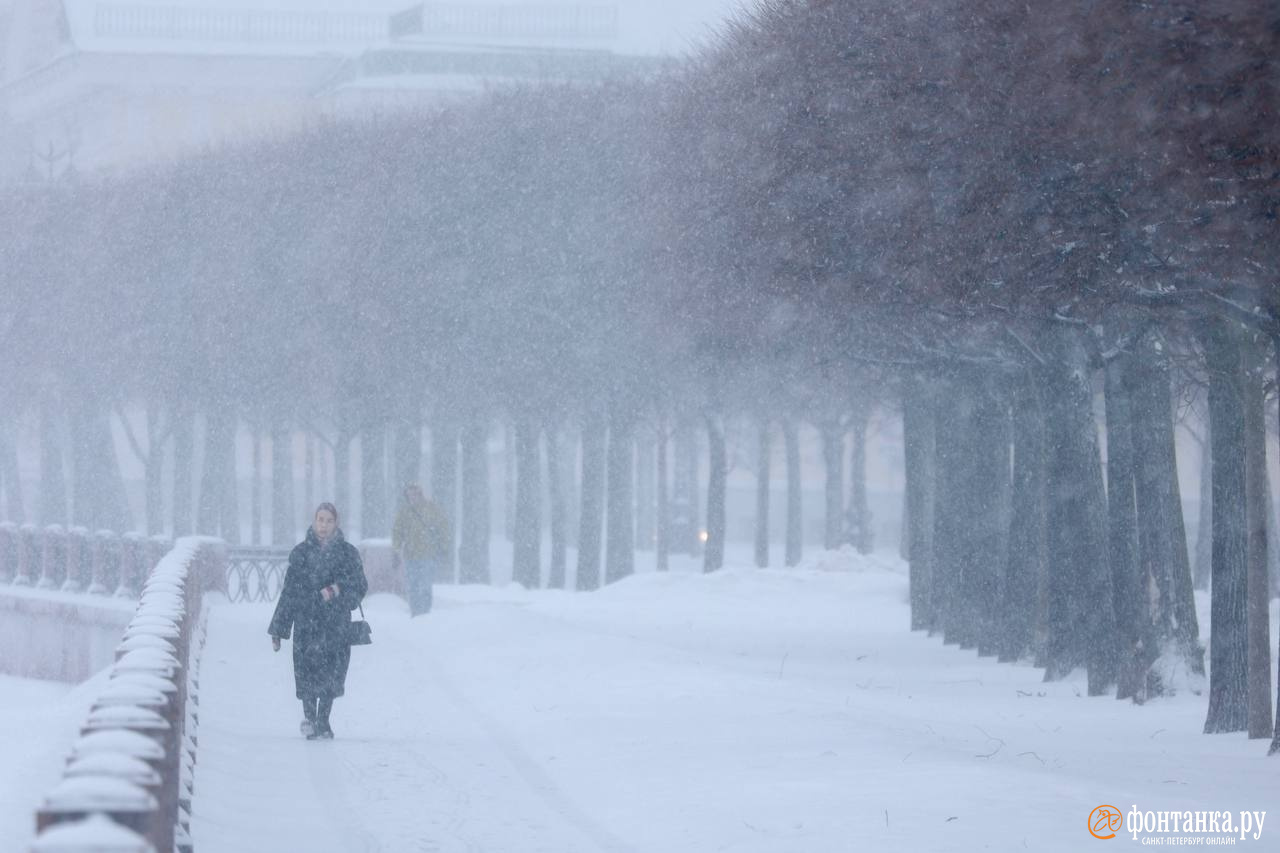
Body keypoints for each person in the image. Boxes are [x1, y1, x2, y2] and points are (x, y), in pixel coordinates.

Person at [268, 503, 368, 740]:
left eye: (329, 521)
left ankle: (324, 719)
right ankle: (309, 719)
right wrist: (279, 629)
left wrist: (337, 591)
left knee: (332, 671)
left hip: (335, 622)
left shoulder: (348, 553)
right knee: (306, 670)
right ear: (314, 521)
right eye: (320, 520)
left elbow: (360, 586)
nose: (323, 525)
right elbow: (289, 592)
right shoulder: (301, 553)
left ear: (336, 523)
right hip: (306, 622)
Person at [392, 484, 451, 616]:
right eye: (409, 495)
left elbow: (443, 528)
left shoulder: (432, 509)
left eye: (414, 494)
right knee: (412, 585)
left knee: (425, 585)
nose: (412, 497)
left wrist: (444, 547)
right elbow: (397, 531)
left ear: (420, 494)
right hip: (410, 555)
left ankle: (425, 611)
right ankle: (415, 611)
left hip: (428, 555)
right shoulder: (404, 512)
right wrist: (396, 548)